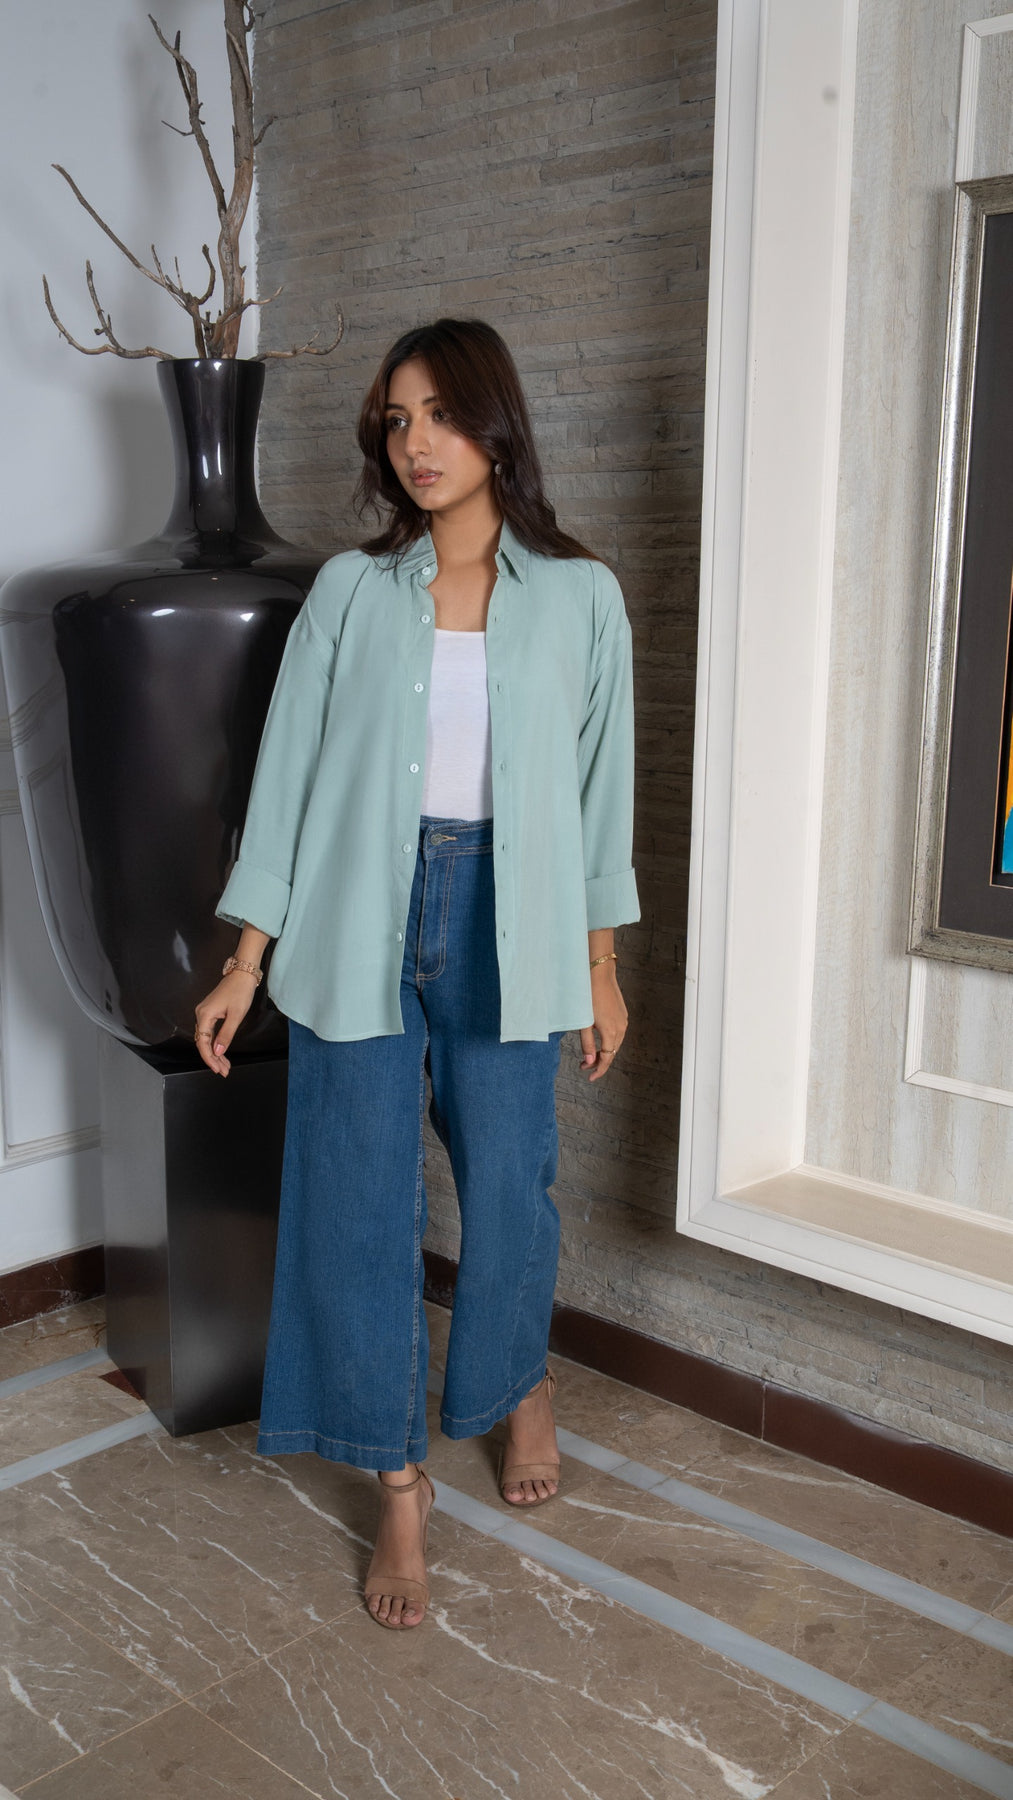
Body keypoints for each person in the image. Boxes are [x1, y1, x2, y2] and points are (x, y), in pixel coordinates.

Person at [194, 317, 638, 1631]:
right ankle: (397, 1483)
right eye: (397, 420)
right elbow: (286, 778)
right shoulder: (350, 592)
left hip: (514, 910)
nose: (417, 443)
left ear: (496, 424)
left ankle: (514, 1383)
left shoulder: (582, 596)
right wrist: (246, 956)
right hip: (356, 917)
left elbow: (599, 791)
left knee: (509, 1182)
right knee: (355, 1200)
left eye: (441, 414)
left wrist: (600, 965)